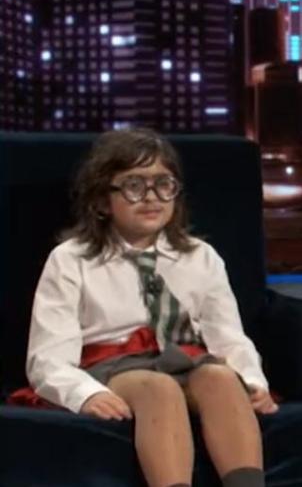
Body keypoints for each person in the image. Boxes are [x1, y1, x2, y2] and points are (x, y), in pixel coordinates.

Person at [23, 128, 278, 487]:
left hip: (185, 359)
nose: (151, 197)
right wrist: (86, 394)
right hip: (112, 366)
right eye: (134, 186)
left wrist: (251, 380)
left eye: (163, 184)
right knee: (158, 388)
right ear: (102, 201)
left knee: (220, 378)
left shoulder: (200, 256)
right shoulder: (70, 260)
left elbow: (228, 336)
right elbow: (47, 358)